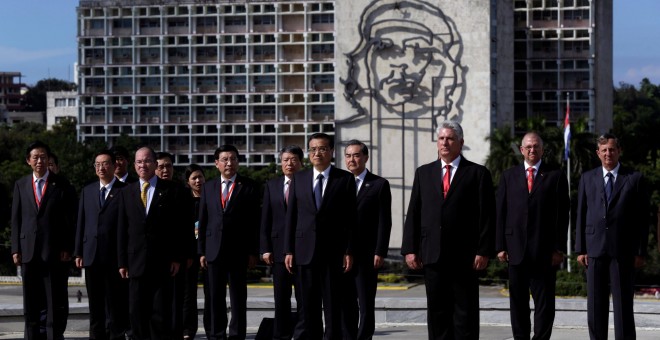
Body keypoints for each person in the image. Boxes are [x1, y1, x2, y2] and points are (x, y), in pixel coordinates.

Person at [401, 121, 495, 340]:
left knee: (465, 313)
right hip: (432, 255)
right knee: (437, 313)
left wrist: (483, 250)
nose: (445, 142)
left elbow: (487, 216)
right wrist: (410, 249)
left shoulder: (477, 173)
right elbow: (414, 212)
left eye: (450, 138)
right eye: (441, 138)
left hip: (465, 257)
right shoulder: (424, 173)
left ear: (460, 143)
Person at [495, 132, 569, 340]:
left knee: (544, 304)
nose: (532, 150)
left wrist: (558, 248)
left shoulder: (555, 175)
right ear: (521, 150)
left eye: (536, 146)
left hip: (544, 252)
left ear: (542, 150)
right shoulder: (509, 176)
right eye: (528, 146)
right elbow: (500, 212)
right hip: (515, 251)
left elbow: (563, 215)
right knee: (518, 303)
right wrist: (500, 245)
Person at [284, 133, 358, 339]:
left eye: (322, 148)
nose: (317, 153)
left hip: (333, 254)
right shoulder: (299, 178)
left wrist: (348, 250)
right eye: (313, 149)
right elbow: (291, 216)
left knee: (333, 304)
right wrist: (288, 249)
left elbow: (351, 219)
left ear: (332, 152)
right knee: (307, 305)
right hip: (303, 252)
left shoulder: (344, 179)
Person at [575, 133, 649, 340]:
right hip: (594, 249)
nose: (608, 153)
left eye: (612, 149)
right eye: (604, 150)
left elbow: (643, 219)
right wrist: (580, 248)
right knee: (596, 306)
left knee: (623, 305)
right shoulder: (587, 178)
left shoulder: (634, 178)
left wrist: (640, 251)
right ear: (598, 153)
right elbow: (581, 213)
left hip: (623, 252)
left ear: (619, 151)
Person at [117, 146, 190, 340]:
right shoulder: (126, 192)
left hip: (163, 262)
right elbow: (122, 230)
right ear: (134, 165)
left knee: (160, 315)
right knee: (136, 314)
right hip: (135, 263)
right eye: (139, 162)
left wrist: (176, 258)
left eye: (147, 161)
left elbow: (180, 228)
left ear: (155, 164)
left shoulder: (173, 190)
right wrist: (122, 262)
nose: (143, 165)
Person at [11, 141, 77, 340]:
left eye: (43, 157)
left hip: (54, 251)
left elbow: (70, 219)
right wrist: (15, 248)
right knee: (30, 301)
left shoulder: (62, 184)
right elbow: (16, 219)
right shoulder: (21, 184)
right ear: (28, 161)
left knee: (53, 300)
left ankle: (53, 336)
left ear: (49, 159)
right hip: (28, 251)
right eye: (35, 157)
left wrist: (67, 246)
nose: (39, 161)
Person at [198, 145, 261, 340]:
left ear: (238, 162)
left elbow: (254, 221)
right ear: (216, 163)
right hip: (213, 250)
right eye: (224, 159)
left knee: (238, 298)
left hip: (239, 252)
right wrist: (201, 251)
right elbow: (203, 219)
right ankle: (217, 334)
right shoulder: (208, 187)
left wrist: (253, 251)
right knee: (215, 298)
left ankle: (237, 335)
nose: (229, 163)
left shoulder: (249, 186)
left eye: (233, 159)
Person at [74, 150, 131, 340]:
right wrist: (78, 252)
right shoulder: (88, 190)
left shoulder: (124, 191)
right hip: (91, 256)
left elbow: (127, 228)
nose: (101, 168)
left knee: (115, 305)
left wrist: (124, 260)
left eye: (105, 163)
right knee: (95, 306)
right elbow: (81, 223)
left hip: (114, 258)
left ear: (115, 166)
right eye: (97, 164)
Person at [341, 140, 392, 340]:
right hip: (342, 254)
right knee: (345, 302)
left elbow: (384, 221)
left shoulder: (379, 184)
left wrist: (380, 251)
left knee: (365, 303)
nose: (351, 159)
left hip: (367, 254)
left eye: (355, 155)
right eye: (348, 155)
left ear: (365, 157)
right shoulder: (339, 182)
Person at [260, 145, 304, 339]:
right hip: (277, 252)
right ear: (281, 163)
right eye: (286, 160)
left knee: (304, 298)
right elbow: (266, 219)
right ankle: (281, 336)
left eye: (294, 159)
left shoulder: (308, 184)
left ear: (301, 163)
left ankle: (304, 334)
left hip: (303, 250)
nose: (289, 163)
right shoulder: (272, 185)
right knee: (281, 299)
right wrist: (265, 248)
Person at [184, 164, 206, 339]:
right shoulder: (184, 200)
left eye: (200, 177)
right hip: (189, 251)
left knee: (211, 291)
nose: (198, 181)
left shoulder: (211, 196)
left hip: (207, 250)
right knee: (188, 293)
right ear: (188, 182)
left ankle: (211, 327)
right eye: (194, 178)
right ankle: (188, 329)